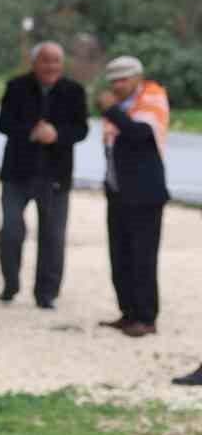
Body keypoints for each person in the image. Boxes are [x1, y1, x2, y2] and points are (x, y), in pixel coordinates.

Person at [0, 42, 89, 309]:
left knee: (53, 236)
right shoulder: (16, 87)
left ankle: (46, 294)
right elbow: (3, 123)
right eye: (45, 61)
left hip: (56, 175)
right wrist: (30, 132)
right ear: (34, 63)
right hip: (17, 173)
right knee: (11, 230)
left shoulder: (74, 91)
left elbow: (81, 129)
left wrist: (56, 134)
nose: (51, 66)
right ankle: (10, 284)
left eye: (56, 61)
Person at [96, 55, 169, 338]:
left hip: (144, 196)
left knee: (143, 258)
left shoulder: (152, 97)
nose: (117, 85)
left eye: (123, 79)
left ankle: (146, 317)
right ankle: (128, 312)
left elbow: (139, 134)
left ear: (138, 77)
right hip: (118, 193)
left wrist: (112, 110)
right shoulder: (120, 106)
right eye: (113, 80)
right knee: (120, 257)